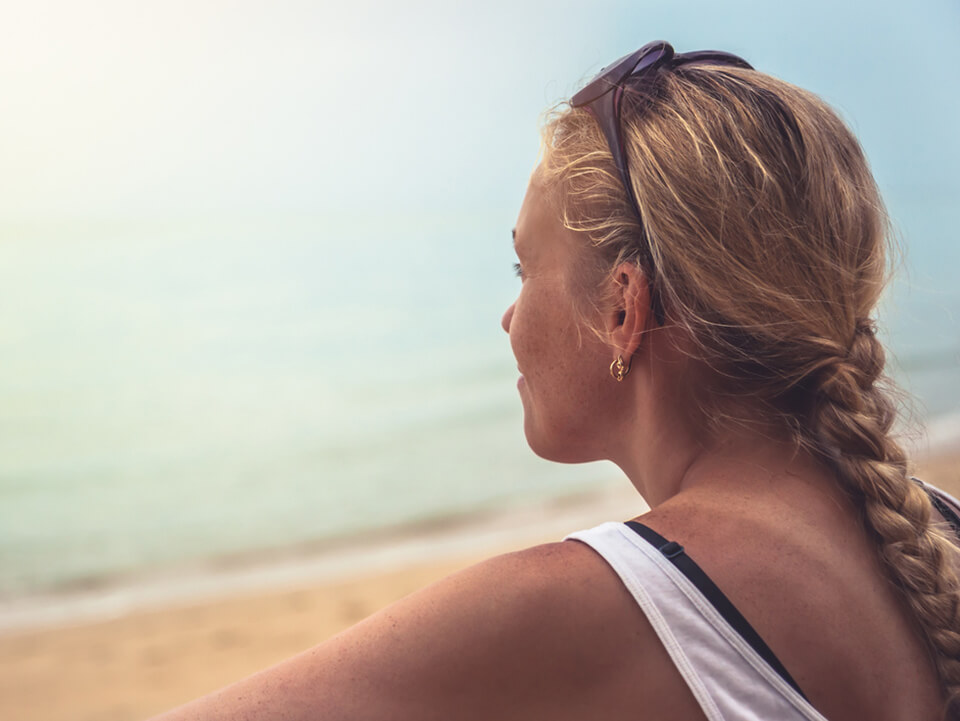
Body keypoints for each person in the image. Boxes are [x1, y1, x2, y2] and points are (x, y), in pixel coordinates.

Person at [152, 41, 960, 720]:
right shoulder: (936, 536)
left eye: (523, 265)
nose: (508, 318)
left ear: (622, 307)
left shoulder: (586, 605)